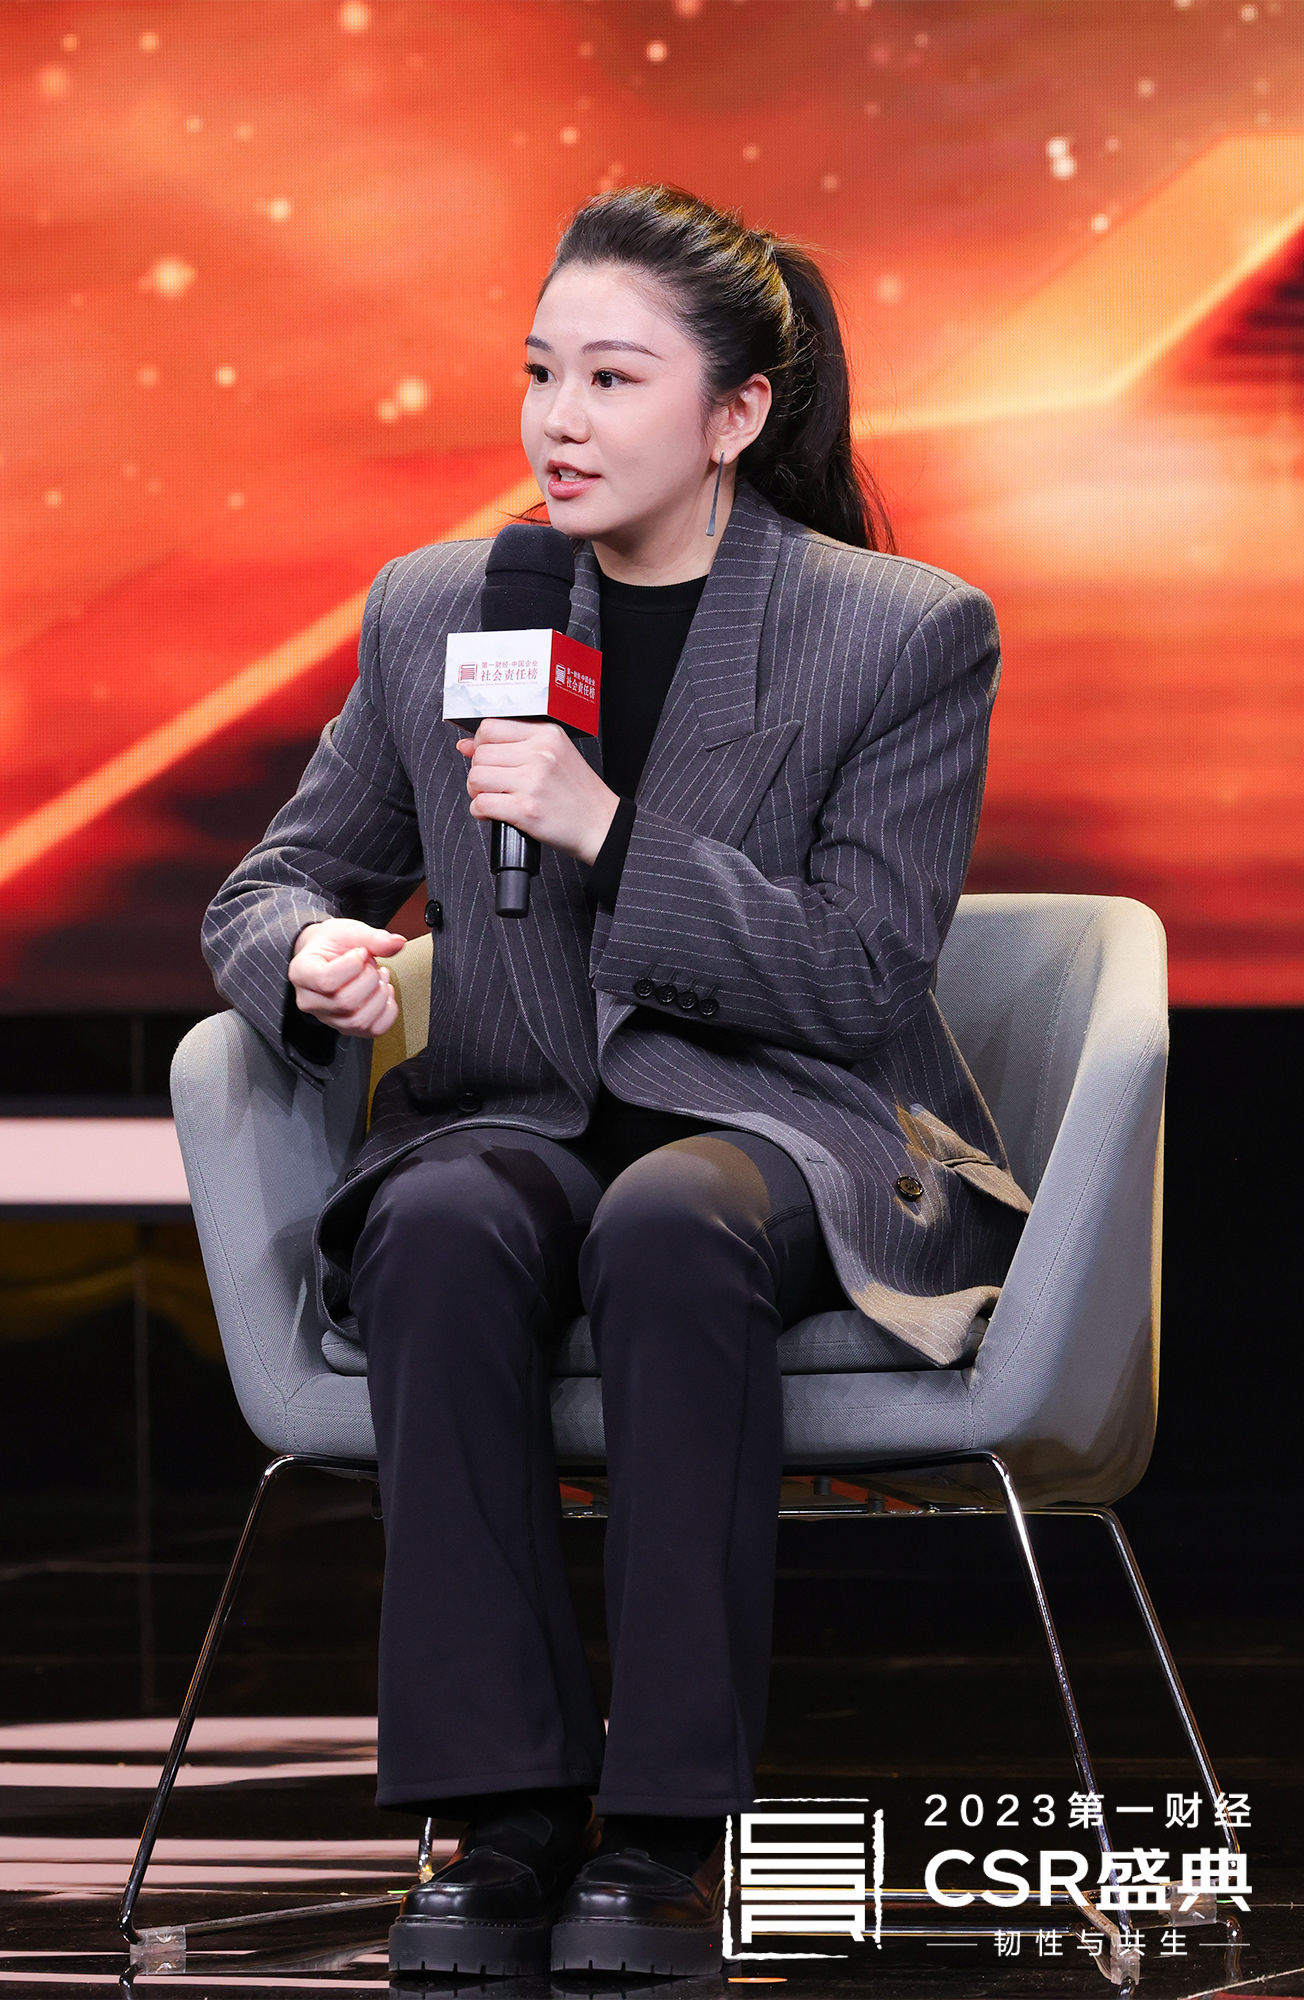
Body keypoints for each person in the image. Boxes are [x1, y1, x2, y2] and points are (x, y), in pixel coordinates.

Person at [202, 183, 1030, 1980]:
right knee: (434, 1222)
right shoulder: (445, 606)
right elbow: (270, 883)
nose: (558, 421)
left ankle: (662, 1831)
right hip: (519, 1105)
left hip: (793, 1127)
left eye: (612, 378)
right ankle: (501, 1819)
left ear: (736, 414)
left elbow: (861, 976)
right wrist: (307, 952)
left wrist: (611, 831)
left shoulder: (899, 630)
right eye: (539, 373)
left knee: (670, 1220)